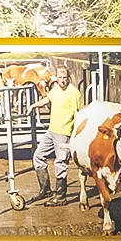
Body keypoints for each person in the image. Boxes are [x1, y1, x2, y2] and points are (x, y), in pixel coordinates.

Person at [30, 68, 84, 204]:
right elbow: (47, 99)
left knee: (60, 163)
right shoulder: (55, 89)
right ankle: (45, 189)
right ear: (56, 77)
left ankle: (60, 197)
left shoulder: (74, 93)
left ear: (69, 77)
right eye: (60, 77)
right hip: (51, 131)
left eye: (65, 77)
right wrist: (33, 106)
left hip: (64, 133)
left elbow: (77, 114)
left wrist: (76, 134)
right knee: (38, 155)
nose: (62, 80)